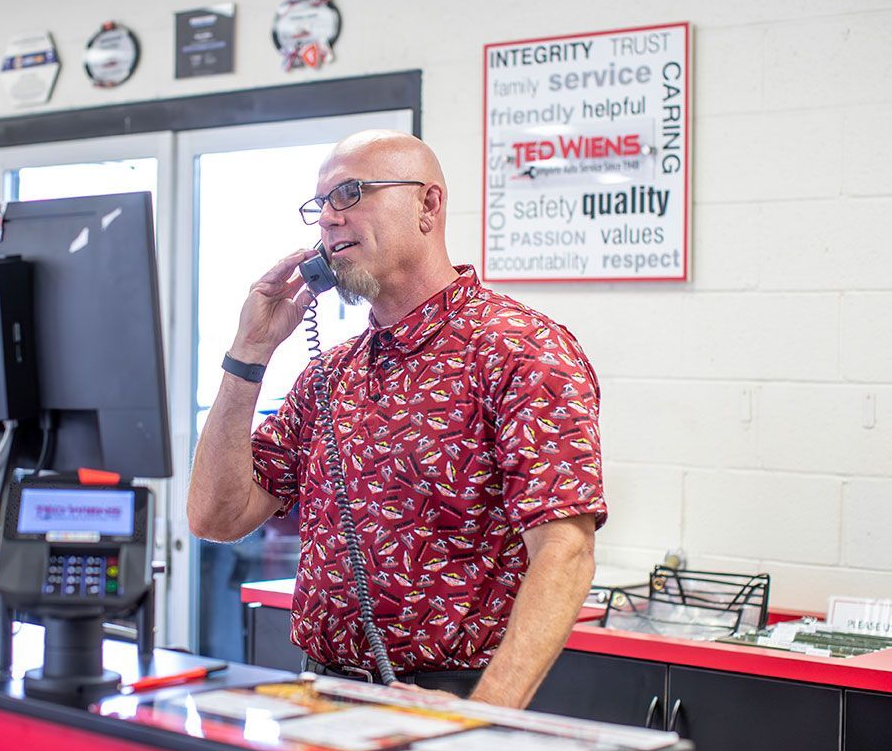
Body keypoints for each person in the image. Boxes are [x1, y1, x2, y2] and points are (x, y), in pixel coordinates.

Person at [187, 130, 606, 707]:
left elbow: (566, 550)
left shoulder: (520, 350)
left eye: (351, 193)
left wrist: (485, 717)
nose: (329, 220)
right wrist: (248, 354)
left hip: (456, 697)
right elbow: (216, 516)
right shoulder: (329, 374)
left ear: (427, 205)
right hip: (320, 693)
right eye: (321, 204)